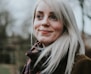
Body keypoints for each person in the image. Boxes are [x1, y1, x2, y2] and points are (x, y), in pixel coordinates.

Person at [22, 0, 91, 74]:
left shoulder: (82, 65)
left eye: (53, 17)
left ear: (66, 24)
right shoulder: (32, 60)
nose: (44, 22)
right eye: (39, 16)